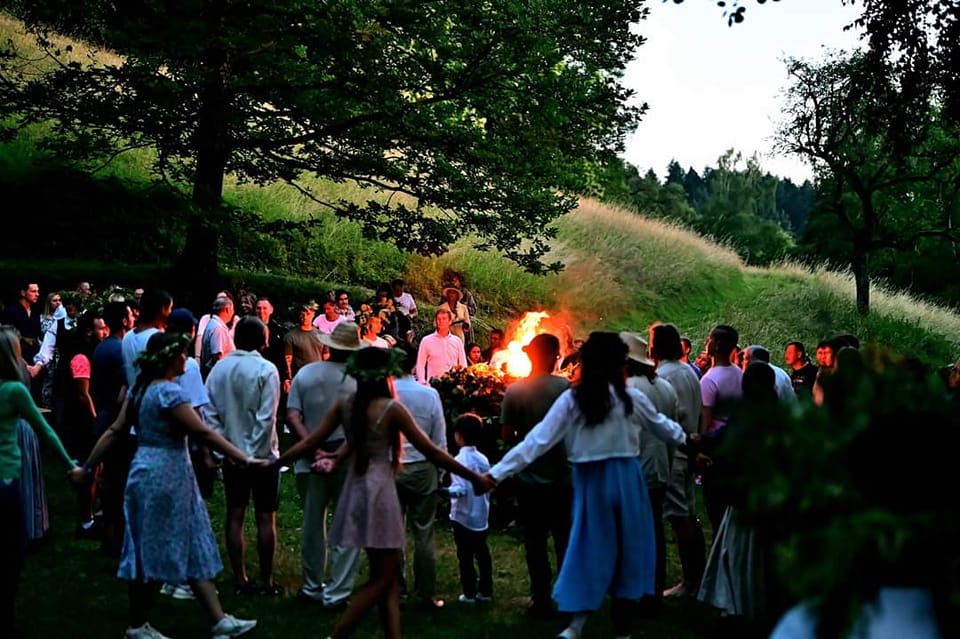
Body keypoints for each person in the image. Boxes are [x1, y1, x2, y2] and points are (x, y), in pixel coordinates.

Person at [486, 332, 691, 639]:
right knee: (625, 551)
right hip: (626, 481)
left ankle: (577, 624)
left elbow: (537, 442)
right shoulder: (630, 398)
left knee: (588, 547)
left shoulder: (575, 399)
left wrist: (496, 473)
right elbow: (666, 429)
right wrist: (691, 442)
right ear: (618, 365)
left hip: (592, 481)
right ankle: (618, 628)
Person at [274, 346, 488, 639]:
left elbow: (309, 442)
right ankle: (337, 635)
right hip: (379, 490)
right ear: (384, 374)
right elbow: (430, 450)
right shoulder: (391, 408)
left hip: (357, 486)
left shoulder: (346, 404)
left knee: (383, 574)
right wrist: (474, 477)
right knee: (383, 576)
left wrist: (273, 464)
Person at [73, 332, 263, 639]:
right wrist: (245, 458)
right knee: (154, 548)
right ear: (170, 358)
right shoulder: (169, 395)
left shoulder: (139, 389)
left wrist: (87, 467)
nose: (186, 360)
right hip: (167, 475)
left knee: (188, 541)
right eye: (183, 355)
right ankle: (137, 626)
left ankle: (219, 621)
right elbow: (203, 432)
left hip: (145, 470)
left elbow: (114, 431)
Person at [1, 326, 80, 637]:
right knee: (13, 552)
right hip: (6, 481)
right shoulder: (13, 391)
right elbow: (46, 431)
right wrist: (70, 463)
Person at [202, 317, 282, 596]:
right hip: (261, 456)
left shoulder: (220, 369)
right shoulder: (266, 369)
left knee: (235, 514)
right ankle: (267, 580)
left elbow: (209, 412)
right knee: (265, 517)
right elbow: (266, 417)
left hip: (231, 453)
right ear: (263, 339)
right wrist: (253, 453)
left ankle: (240, 578)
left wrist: (224, 448)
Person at [499, 333, 571, 618]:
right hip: (564, 477)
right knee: (565, 540)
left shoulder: (516, 391)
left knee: (535, 542)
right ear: (556, 356)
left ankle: (540, 599)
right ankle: (567, 597)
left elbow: (506, 435)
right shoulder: (567, 389)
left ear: (530, 355)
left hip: (530, 480)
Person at [649, 323, 705, 600]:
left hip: (674, 452)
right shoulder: (688, 371)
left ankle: (690, 582)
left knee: (679, 518)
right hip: (689, 447)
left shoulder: (663, 376)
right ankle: (698, 578)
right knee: (690, 517)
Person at [393, 342, 447, 612]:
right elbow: (439, 437)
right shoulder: (428, 395)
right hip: (423, 469)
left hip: (392, 468)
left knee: (394, 532)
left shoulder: (387, 394)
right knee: (424, 532)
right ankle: (425, 594)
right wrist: (442, 471)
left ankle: (397, 589)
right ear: (414, 364)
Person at [444, 413, 493, 604]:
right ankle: (486, 591)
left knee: (465, 556)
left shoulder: (458, 460)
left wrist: (445, 491)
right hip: (481, 515)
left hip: (463, 517)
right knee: (482, 553)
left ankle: (470, 592)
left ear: (458, 436)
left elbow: (460, 490)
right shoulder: (483, 459)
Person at [414, 308, 466, 385]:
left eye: (444, 319)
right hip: (433, 385)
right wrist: (422, 382)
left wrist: (463, 383)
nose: (441, 321)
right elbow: (420, 364)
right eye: (439, 319)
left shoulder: (457, 341)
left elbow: (463, 364)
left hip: (453, 385)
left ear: (450, 321)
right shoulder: (426, 340)